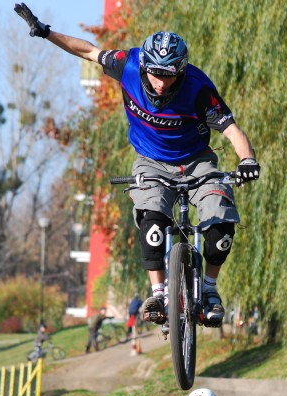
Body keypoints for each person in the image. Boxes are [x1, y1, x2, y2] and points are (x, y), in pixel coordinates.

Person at [14, 4, 260, 328]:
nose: (161, 84)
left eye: (170, 75)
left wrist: (247, 160)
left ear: (181, 71)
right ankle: (159, 293)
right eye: (156, 74)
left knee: (220, 227)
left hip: (197, 162)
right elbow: (88, 51)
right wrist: (46, 32)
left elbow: (230, 129)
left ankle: (210, 291)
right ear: (145, 67)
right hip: (152, 163)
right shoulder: (126, 65)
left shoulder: (198, 89)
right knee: (153, 224)